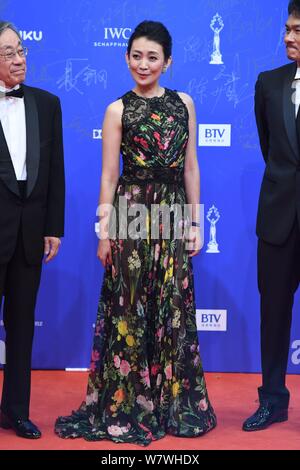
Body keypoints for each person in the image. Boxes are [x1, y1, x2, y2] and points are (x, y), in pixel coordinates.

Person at [55, 20, 216, 445]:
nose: (143, 64)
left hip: (172, 212)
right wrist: (104, 232)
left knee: (172, 308)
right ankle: (128, 401)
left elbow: (191, 166)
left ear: (168, 62)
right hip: (131, 213)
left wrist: (196, 222)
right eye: (136, 56)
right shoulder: (117, 109)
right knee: (129, 309)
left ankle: (169, 403)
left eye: (152, 57)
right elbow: (109, 176)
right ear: (126, 58)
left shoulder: (185, 104)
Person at [0, 21, 65, 439]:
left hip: (29, 235)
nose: (19, 59)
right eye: (8, 53)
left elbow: (55, 171)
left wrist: (53, 227)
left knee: (22, 326)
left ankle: (15, 411)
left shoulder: (46, 103)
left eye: (21, 50)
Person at [243, 0, 300, 432]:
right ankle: (273, 400)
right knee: (274, 313)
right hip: (279, 219)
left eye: (297, 29)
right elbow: (272, 150)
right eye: (287, 28)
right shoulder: (268, 83)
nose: (288, 36)